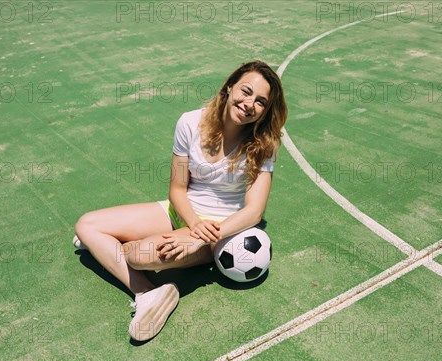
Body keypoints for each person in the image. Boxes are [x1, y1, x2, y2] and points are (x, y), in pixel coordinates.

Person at [74, 60, 288, 342]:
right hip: (183, 212)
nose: (249, 104)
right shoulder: (190, 122)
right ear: (229, 87)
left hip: (219, 231)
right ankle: (148, 292)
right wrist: (192, 223)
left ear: (266, 110)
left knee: (138, 256)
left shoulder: (264, 143)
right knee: (87, 225)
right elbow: (177, 188)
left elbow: (254, 210)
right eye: (246, 91)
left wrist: (203, 237)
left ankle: (118, 257)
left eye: (261, 101)